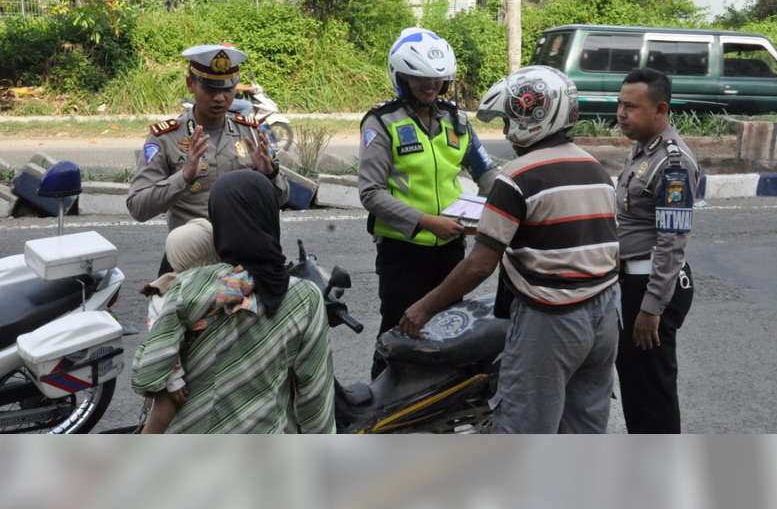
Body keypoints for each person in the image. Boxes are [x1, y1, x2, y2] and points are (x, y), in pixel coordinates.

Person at [399, 65, 620, 434]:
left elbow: (479, 266)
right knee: (583, 427)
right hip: (605, 314)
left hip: (552, 320)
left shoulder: (517, 176)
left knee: (522, 428)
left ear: (531, 116)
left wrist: (424, 308)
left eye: (507, 120)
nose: (505, 131)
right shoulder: (594, 168)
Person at [131, 170, 336, 434]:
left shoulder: (189, 286)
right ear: (269, 217)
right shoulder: (305, 298)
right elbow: (315, 399)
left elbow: (147, 375)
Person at [358, 26, 499, 379]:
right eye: (419, 78)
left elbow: (487, 174)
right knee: (397, 332)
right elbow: (371, 193)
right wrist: (425, 221)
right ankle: (377, 414)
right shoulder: (382, 122)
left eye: (437, 80)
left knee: (451, 331)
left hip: (451, 248)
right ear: (400, 77)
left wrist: (503, 205)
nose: (429, 86)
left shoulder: (457, 121)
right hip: (403, 252)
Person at [126, 43, 290, 275]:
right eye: (210, 89)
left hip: (244, 262)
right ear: (191, 84)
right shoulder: (166, 138)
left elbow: (282, 198)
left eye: (227, 89)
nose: (220, 98)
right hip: (189, 261)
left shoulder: (250, 132)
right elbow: (138, 207)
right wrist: (183, 177)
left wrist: (269, 175)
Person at [614, 67, 699, 433]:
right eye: (619, 104)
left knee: (653, 390)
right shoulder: (644, 150)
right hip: (634, 282)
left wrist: (651, 309)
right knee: (635, 383)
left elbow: (671, 243)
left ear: (660, 110)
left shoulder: (674, 165)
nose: (621, 114)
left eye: (630, 107)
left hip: (652, 288)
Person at [138, 217, 219, 434]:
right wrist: (174, 380)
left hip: (199, 366)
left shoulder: (216, 283)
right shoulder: (165, 296)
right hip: (174, 370)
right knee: (162, 415)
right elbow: (161, 341)